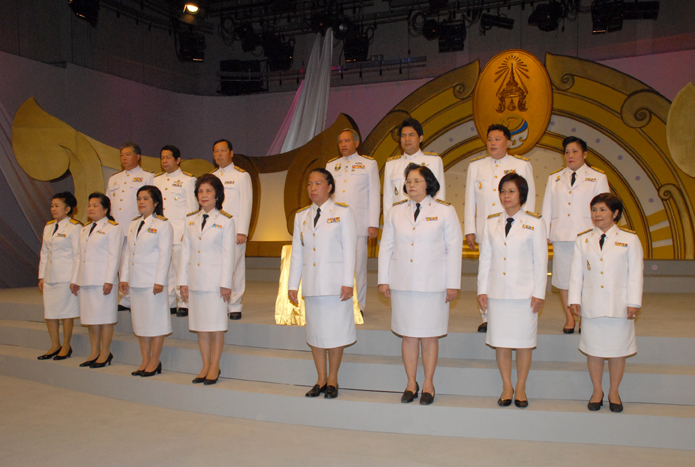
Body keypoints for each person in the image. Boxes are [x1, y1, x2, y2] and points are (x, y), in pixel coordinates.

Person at [378, 163, 462, 405]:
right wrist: (383, 279)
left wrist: (452, 283)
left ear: (429, 184)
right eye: (408, 181)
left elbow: (454, 248)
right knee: (408, 335)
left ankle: (428, 384)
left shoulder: (445, 211)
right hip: (402, 283)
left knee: (429, 336)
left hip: (433, 285)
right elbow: (386, 246)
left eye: (416, 181)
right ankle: (410, 383)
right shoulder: (395, 211)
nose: (411, 185)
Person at [568, 193, 643, 413]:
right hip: (592, 304)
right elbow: (576, 273)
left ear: (615, 213)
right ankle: (597, 391)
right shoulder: (583, 240)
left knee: (618, 350)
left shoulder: (630, 239)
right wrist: (574, 299)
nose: (597, 214)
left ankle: (614, 392)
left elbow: (635, 274)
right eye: (594, 210)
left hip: (619, 305)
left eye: (602, 210)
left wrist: (633, 302)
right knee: (594, 350)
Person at [477, 173, 547, 408]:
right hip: (497, 292)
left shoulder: (535, 223)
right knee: (502, 342)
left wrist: (539, 293)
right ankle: (507, 386)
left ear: (522, 195)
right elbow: (485, 259)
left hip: (524, 294)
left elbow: (541, 261)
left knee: (524, 342)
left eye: (511, 191)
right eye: (503, 191)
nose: (506, 195)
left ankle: (521, 387)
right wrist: (482, 290)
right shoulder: (491, 222)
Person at [288, 168, 357, 399]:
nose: (313, 188)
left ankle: (333, 379)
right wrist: (292, 284)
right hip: (312, 284)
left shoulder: (343, 213)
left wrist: (348, 282)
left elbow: (349, 250)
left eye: (318, 183)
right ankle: (320, 379)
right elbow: (297, 253)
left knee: (335, 333)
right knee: (316, 334)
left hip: (335, 285)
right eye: (310, 184)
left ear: (329, 187)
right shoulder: (301, 216)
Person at [465, 124, 536, 333]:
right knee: (487, 271)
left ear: (508, 142)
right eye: (489, 139)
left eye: (497, 139)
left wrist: (529, 229)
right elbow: (470, 200)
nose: (492, 143)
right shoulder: (476, 166)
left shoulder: (521, 165)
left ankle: (515, 312)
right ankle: (487, 316)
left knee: (515, 270)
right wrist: (470, 229)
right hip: (487, 230)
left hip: (516, 230)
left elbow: (529, 200)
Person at [541, 136, 609, 334]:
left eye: (575, 151)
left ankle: (585, 317)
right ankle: (570, 317)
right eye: (567, 152)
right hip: (561, 236)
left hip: (588, 236)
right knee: (564, 279)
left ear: (584, 154)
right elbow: (547, 208)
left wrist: (602, 232)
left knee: (587, 278)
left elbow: (605, 206)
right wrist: (545, 233)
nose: (570, 155)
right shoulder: (554, 178)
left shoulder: (597, 177)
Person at [179, 174, 236, 385]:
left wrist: (226, 284)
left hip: (215, 284)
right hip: (195, 281)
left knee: (216, 326)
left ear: (217, 195)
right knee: (201, 326)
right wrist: (183, 282)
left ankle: (215, 365)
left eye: (208, 191)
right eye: (200, 191)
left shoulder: (226, 221)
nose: (204, 195)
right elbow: (185, 252)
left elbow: (228, 255)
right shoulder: (190, 219)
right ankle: (205, 365)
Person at [119, 186, 173, 377]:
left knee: (155, 322)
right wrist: (124, 277)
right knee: (140, 323)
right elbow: (128, 253)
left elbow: (165, 255)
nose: (141, 202)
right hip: (136, 281)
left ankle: (154, 360)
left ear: (156, 202)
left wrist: (159, 281)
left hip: (152, 283)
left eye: (146, 199)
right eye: (139, 199)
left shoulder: (163, 224)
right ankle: (144, 359)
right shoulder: (134, 224)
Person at [326, 128, 380, 314]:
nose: (343, 144)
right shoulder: (331, 165)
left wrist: (373, 224)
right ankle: (337, 303)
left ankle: (358, 306)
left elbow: (374, 195)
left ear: (356, 143)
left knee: (358, 268)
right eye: (340, 141)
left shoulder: (368, 164)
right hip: (334, 225)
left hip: (358, 225)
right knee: (335, 265)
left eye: (347, 141)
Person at [70, 193, 123, 368]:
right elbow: (79, 256)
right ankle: (94, 351)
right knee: (90, 318)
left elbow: (114, 256)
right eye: (89, 205)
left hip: (102, 281)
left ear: (105, 209)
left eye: (95, 205)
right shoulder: (85, 228)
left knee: (105, 318)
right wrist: (75, 279)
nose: (91, 208)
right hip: (86, 280)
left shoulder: (113, 228)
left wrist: (109, 280)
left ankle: (105, 352)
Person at [107, 142, 154, 310]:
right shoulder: (114, 179)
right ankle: (125, 297)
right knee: (120, 263)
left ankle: (137, 296)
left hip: (136, 227)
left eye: (128, 154)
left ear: (138, 157)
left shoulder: (147, 177)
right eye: (122, 155)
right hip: (117, 228)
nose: (124, 158)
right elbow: (108, 204)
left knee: (135, 263)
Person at [153, 145, 197, 317]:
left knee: (181, 269)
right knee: (166, 268)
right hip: (161, 232)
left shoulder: (188, 180)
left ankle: (184, 302)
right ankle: (170, 301)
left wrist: (187, 231)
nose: (164, 161)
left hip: (179, 231)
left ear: (178, 160)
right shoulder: (156, 180)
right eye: (162, 158)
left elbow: (191, 210)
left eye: (168, 157)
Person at [37, 192, 82, 360]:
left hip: (65, 276)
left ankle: (66, 345)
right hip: (50, 275)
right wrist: (42, 276)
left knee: (66, 312)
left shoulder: (74, 227)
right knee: (50, 312)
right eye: (52, 206)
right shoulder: (48, 227)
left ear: (67, 208)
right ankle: (55, 344)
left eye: (57, 206)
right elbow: (44, 252)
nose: (53, 209)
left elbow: (78, 255)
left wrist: (75, 279)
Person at [211, 139, 252, 320]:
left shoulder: (241, 176)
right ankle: (219, 303)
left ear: (231, 153)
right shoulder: (210, 177)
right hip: (214, 231)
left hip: (235, 230)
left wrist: (242, 230)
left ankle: (235, 304)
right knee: (216, 267)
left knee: (235, 267)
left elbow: (246, 204)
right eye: (216, 151)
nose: (219, 154)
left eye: (223, 150)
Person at [383, 118, 445, 220]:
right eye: (403, 136)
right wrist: (388, 224)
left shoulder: (434, 161)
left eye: (411, 135)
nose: (407, 139)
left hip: (426, 218)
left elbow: (439, 195)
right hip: (399, 219)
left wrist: (436, 220)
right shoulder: (391, 165)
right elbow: (388, 200)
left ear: (420, 138)